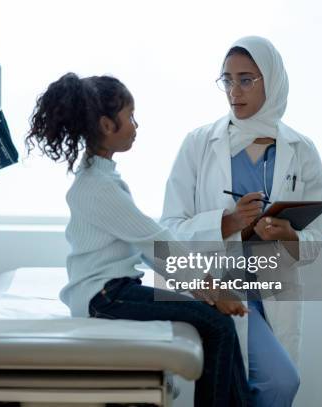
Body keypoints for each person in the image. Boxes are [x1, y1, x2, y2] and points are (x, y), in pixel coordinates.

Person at [26, 72, 250, 406]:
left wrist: (200, 285)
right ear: (105, 125)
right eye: (130, 117)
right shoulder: (99, 188)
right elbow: (153, 241)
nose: (135, 125)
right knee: (216, 325)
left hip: (112, 290)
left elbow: (148, 244)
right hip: (104, 296)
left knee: (217, 323)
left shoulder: (99, 177)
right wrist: (212, 291)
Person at [161, 36, 322, 407]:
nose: (234, 91)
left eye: (246, 79)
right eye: (227, 79)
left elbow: (315, 239)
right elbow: (168, 229)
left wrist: (290, 236)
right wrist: (228, 222)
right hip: (220, 289)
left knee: (259, 390)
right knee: (277, 383)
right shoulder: (199, 144)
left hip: (275, 289)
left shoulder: (302, 150)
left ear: (272, 80)